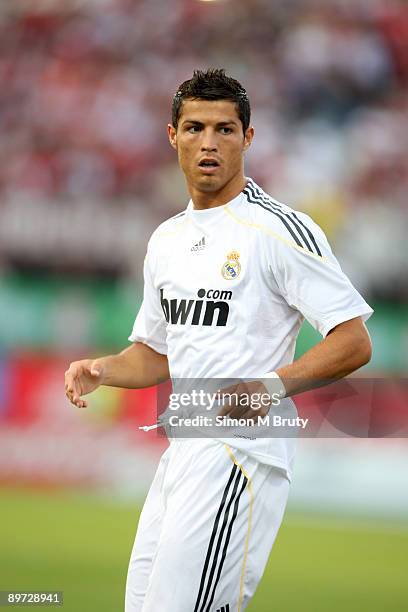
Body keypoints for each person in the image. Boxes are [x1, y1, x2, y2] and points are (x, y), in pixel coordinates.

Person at [65, 69, 373, 612]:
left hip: (240, 454)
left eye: (225, 129)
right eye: (195, 127)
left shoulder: (279, 230)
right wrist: (105, 368)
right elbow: (157, 353)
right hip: (182, 449)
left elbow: (353, 339)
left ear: (248, 138)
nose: (209, 142)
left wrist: (270, 388)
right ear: (172, 135)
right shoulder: (167, 239)